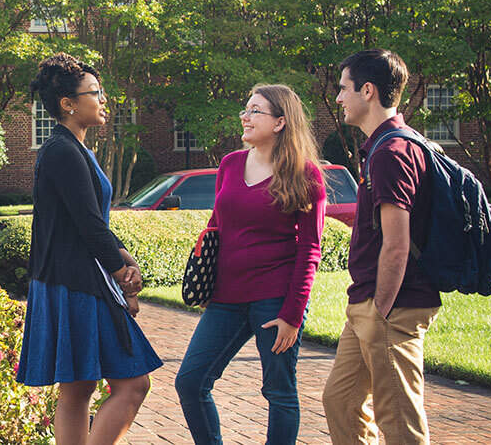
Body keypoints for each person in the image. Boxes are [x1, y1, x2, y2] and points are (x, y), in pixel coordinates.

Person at [17, 53, 162, 445]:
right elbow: (87, 224)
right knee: (133, 384)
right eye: (94, 92)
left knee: (78, 390)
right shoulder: (62, 151)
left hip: (72, 279)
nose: (103, 100)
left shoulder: (74, 149)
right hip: (77, 283)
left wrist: (123, 257)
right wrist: (122, 273)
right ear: (68, 104)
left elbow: (89, 220)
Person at [173, 84, 326, 445]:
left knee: (278, 391)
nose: (245, 116)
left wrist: (293, 314)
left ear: (280, 122)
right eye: (246, 108)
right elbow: (217, 226)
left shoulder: (306, 175)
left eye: (255, 110)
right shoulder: (230, 164)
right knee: (191, 382)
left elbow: (310, 250)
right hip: (226, 299)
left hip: (274, 300)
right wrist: (206, 281)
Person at [322, 49, 441, 444]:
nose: (338, 98)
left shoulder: (392, 152)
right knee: (341, 401)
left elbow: (396, 244)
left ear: (368, 90)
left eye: (344, 88)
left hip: (392, 304)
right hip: (368, 301)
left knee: (399, 420)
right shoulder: (382, 147)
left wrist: (382, 310)